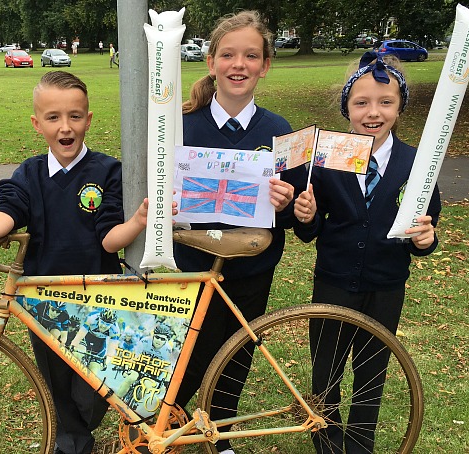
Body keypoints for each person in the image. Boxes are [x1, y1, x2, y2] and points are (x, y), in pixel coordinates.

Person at [0, 70, 163, 454]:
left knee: (93, 388)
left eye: (75, 116)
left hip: (100, 304)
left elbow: (109, 236)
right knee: (57, 385)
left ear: (88, 120)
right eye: (53, 117)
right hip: (43, 304)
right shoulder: (29, 174)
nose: (65, 127)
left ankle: (80, 430)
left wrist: (137, 222)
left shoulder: (109, 172)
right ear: (37, 124)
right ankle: (72, 444)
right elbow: (6, 213)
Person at [172, 11, 307, 454]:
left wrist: (285, 205)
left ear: (265, 65)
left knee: (237, 349)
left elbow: (290, 216)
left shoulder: (278, 131)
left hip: (252, 266)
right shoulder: (181, 124)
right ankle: (165, 420)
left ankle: (223, 431)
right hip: (188, 263)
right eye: (228, 54)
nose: (239, 64)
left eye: (251, 55)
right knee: (184, 349)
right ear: (211, 62)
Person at [293, 51, 441, 453]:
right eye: (361, 103)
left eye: (385, 102)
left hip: (386, 286)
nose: (373, 113)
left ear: (400, 106)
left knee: (372, 370)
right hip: (334, 282)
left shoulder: (416, 163)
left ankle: (361, 443)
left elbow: (426, 225)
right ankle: (326, 438)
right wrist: (305, 217)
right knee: (326, 369)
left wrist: (426, 240)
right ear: (347, 108)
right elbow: (313, 228)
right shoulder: (329, 158)